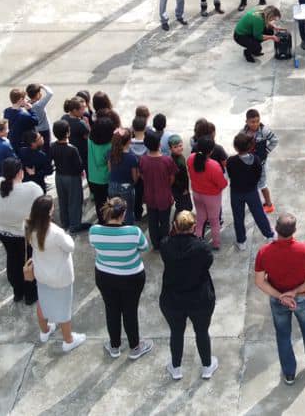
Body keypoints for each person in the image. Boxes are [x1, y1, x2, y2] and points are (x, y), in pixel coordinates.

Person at [254, 214, 305, 384]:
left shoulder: (264, 252)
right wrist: (295, 292)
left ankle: (289, 373)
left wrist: (281, 296)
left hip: (278, 301)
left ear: (276, 229)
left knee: (283, 335)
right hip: (303, 298)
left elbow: (259, 281)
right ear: (295, 230)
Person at [90, 196, 154, 360]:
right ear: (123, 214)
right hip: (132, 277)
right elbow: (144, 247)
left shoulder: (94, 231)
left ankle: (114, 346)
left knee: (111, 310)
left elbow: (95, 246)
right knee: (130, 311)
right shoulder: (134, 232)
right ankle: (135, 347)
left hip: (104, 276)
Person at [158, 210, 219, 381]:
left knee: (176, 332)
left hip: (172, 299)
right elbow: (207, 264)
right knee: (201, 331)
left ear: (175, 227)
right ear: (194, 227)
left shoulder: (165, 245)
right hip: (199, 298)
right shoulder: (202, 248)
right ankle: (207, 366)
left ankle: (176, 368)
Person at [26, 195, 87, 353]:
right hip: (60, 276)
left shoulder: (28, 227)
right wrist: (67, 236)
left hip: (41, 274)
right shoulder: (56, 232)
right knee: (63, 310)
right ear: (48, 212)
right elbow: (70, 247)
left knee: (42, 304)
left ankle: (45, 332)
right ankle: (68, 340)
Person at [0, 157, 43, 306]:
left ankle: (17, 293)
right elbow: (41, 207)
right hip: (23, 235)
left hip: (2, 231)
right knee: (28, 263)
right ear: (20, 172)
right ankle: (30, 295)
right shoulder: (32, 188)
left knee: (13, 260)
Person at [226, 131, 275, 251]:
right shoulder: (256, 160)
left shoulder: (231, 161)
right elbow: (259, 175)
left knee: (238, 217)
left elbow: (230, 175)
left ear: (235, 147)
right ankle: (269, 235)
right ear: (251, 146)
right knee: (258, 213)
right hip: (251, 191)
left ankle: (241, 241)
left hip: (236, 192)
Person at [139, 129, 179, 249]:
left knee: (152, 221)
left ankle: (155, 244)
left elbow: (142, 176)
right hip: (164, 196)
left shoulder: (143, 160)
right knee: (165, 221)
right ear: (160, 144)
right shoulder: (167, 160)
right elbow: (172, 178)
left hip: (149, 196)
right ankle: (164, 243)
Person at [189, 139, 229, 250]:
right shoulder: (214, 165)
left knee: (200, 217)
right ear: (211, 151)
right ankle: (216, 244)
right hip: (212, 197)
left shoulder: (191, 158)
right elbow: (222, 184)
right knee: (214, 220)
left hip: (197, 194)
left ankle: (198, 239)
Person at [50, 121, 86, 233]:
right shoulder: (72, 149)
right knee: (74, 201)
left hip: (59, 176)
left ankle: (65, 222)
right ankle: (75, 225)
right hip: (72, 177)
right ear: (67, 133)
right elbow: (79, 165)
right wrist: (82, 172)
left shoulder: (52, 146)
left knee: (63, 200)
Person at [245, 108, 278, 214]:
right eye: (252, 122)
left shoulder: (264, 131)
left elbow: (274, 140)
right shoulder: (244, 132)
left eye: (257, 121)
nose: (255, 124)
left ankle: (269, 204)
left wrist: (266, 151)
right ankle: (254, 202)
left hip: (260, 164)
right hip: (249, 163)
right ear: (247, 122)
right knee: (251, 183)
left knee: (262, 184)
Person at [106, 126, 141, 227]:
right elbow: (134, 178)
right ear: (129, 141)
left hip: (112, 185)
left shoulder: (110, 153)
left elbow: (110, 170)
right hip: (126, 187)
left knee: (114, 211)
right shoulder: (132, 157)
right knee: (128, 212)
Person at [87, 110, 118, 218]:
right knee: (108, 203)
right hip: (105, 179)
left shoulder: (89, 140)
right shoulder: (109, 146)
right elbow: (110, 165)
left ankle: (101, 220)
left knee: (99, 202)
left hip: (92, 177)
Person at [167, 134, 193, 217]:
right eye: (175, 147)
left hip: (181, 188)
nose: (179, 148)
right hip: (180, 189)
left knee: (183, 206)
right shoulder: (174, 160)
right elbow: (177, 178)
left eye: (180, 145)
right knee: (184, 207)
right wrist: (183, 189)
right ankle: (179, 224)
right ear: (170, 149)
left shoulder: (180, 157)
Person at [4, 88, 37, 154]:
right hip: (21, 144)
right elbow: (35, 121)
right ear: (20, 100)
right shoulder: (24, 115)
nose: (26, 100)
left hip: (12, 141)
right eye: (24, 99)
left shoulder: (6, 111)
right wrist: (30, 110)